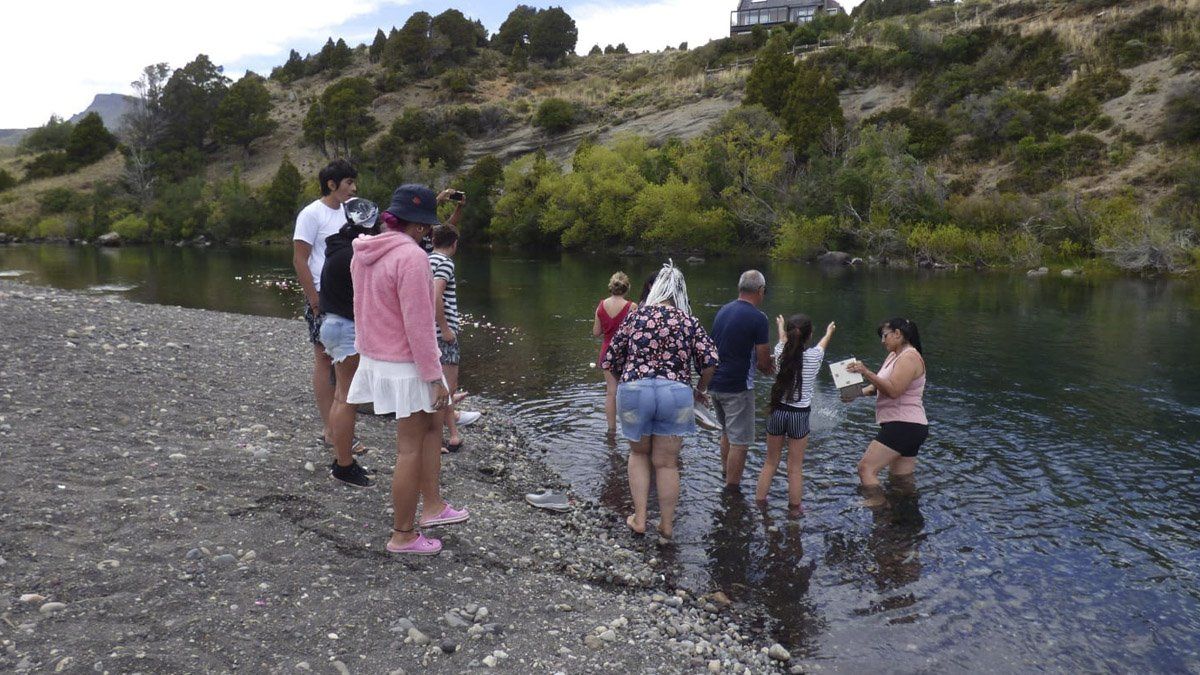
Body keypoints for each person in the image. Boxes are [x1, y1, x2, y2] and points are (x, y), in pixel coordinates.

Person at [347, 184, 469, 556]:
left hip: (378, 358)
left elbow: (360, 308)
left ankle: (432, 507)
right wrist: (435, 379)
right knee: (409, 449)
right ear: (419, 227)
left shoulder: (363, 253)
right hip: (406, 365)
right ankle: (402, 534)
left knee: (433, 428)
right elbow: (418, 326)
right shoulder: (413, 258)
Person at [602, 261, 719, 540]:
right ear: (681, 291)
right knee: (667, 463)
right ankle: (666, 526)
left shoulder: (636, 317)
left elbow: (610, 359)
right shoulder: (688, 320)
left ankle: (640, 518)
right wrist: (700, 390)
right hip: (675, 393)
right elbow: (710, 361)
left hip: (635, 390)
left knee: (639, 454)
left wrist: (624, 383)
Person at [293, 159, 358, 448]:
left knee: (345, 361)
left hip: (347, 295)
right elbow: (299, 259)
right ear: (331, 184)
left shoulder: (350, 211)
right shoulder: (311, 214)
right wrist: (314, 300)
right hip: (322, 294)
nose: (353, 189)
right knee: (324, 358)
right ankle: (330, 429)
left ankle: (341, 427)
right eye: (348, 183)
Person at [318, 198, 378, 488]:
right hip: (346, 329)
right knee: (346, 399)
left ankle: (341, 457)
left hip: (332, 325)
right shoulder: (356, 254)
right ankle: (343, 465)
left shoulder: (337, 246)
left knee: (342, 395)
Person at [754, 315, 836, 513]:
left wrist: (780, 325)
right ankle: (795, 508)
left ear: (788, 334)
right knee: (795, 467)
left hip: (778, 412)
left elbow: (783, 340)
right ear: (809, 336)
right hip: (799, 415)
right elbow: (822, 344)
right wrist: (829, 332)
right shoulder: (815, 356)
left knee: (770, 462)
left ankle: (759, 503)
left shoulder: (780, 351)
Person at [708, 270, 773, 490]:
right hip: (738, 388)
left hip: (715, 383)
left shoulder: (723, 311)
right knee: (741, 442)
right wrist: (769, 367)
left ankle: (725, 474)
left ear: (740, 288)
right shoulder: (758, 318)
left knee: (727, 432)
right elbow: (763, 360)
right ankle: (732, 490)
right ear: (760, 290)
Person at [846, 318, 928, 491]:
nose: (882, 341)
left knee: (866, 469)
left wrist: (865, 371)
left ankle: (879, 510)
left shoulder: (910, 357)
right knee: (900, 481)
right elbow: (879, 386)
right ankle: (903, 516)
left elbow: (893, 391)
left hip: (904, 425)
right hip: (909, 426)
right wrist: (855, 393)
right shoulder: (894, 355)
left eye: (885, 336)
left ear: (898, 334)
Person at [429, 223, 478, 453]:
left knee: (441, 388)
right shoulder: (445, 263)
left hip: (428, 334)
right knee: (446, 389)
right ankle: (435, 440)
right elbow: (435, 295)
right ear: (454, 244)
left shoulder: (427, 259)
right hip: (441, 335)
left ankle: (454, 435)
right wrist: (446, 329)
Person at [592, 272, 636, 435]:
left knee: (611, 392)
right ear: (627, 288)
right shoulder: (632, 307)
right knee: (631, 391)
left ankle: (611, 430)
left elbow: (596, 332)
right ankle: (632, 429)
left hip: (607, 352)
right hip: (626, 354)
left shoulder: (601, 305)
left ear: (611, 287)